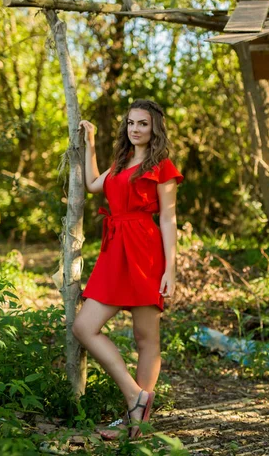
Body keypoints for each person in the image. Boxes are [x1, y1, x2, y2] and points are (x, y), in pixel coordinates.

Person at [72, 99, 184, 441]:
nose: (135, 129)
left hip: (145, 252)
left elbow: (167, 218)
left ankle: (138, 426)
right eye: (131, 123)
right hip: (114, 251)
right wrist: (89, 143)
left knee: (146, 338)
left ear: (154, 130)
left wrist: (171, 269)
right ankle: (136, 395)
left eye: (143, 124)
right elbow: (93, 184)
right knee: (84, 326)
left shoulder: (161, 166)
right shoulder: (120, 162)